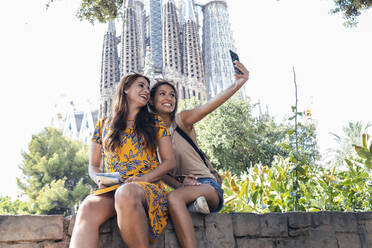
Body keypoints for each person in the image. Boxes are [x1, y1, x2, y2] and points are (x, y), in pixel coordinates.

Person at [149, 61, 249, 248]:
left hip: (207, 185)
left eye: (172, 95)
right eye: (162, 94)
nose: (169, 98)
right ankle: (193, 202)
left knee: (173, 198)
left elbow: (210, 106)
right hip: (185, 188)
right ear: (151, 101)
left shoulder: (181, 120)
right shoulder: (150, 138)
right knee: (167, 200)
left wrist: (238, 83)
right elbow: (162, 172)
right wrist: (181, 184)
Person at [70, 73, 175, 248]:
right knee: (88, 206)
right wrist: (99, 179)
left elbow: (169, 162)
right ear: (125, 88)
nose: (146, 91)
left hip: (146, 188)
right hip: (114, 188)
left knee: (125, 193)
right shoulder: (104, 125)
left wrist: (144, 179)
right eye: (141, 85)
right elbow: (93, 165)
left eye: (148, 88)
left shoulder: (155, 122)